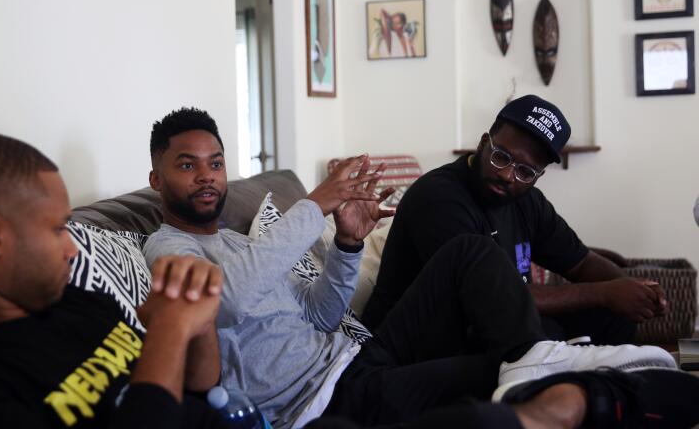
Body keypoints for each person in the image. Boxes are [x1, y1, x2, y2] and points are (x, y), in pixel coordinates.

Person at [142, 107, 676, 429]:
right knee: (503, 373)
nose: (207, 177)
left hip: (355, 355)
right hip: (322, 401)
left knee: (470, 253)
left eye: (215, 163)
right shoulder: (166, 252)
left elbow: (322, 316)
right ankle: (557, 366)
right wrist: (315, 205)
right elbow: (228, 301)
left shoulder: (240, 241)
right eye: (186, 166)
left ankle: (540, 358)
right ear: (156, 179)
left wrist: (349, 245)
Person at [0, 134, 228, 429]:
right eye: (57, 230)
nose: (72, 249)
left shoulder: (76, 302)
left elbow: (199, 388)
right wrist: (170, 331)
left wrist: (198, 315)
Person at [363, 95, 668, 346]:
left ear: (539, 175)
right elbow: (495, 298)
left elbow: (581, 262)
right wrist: (605, 293)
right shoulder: (440, 197)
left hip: (486, 322)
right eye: (502, 157)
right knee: (542, 334)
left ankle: (588, 394)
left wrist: (633, 287)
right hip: (416, 336)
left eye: (525, 171)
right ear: (484, 143)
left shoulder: (527, 201)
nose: (508, 175)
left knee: (613, 318)